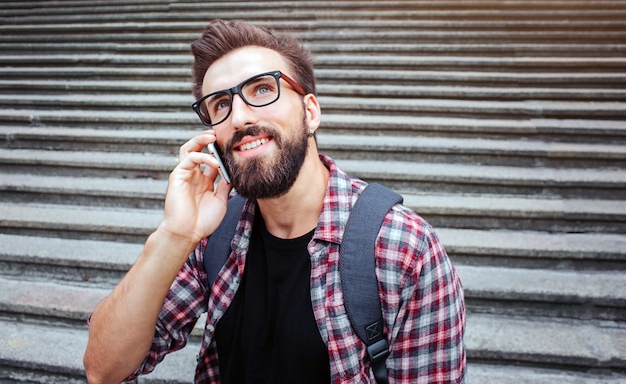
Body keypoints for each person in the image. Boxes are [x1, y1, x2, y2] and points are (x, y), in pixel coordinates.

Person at [83, 19, 466, 384]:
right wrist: (173, 234)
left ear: (310, 111)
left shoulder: (405, 247)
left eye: (263, 89)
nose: (240, 116)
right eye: (219, 104)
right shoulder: (213, 236)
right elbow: (104, 370)